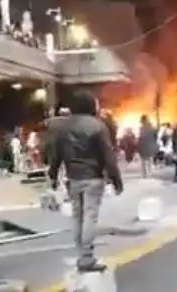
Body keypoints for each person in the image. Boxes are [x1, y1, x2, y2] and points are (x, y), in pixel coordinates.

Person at [46, 90, 124, 272]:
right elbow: (108, 156)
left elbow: (55, 154)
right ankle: (87, 257)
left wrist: (53, 175)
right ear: (91, 105)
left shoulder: (63, 127)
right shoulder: (98, 126)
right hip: (93, 177)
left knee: (78, 216)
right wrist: (116, 179)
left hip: (73, 178)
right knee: (90, 216)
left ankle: (81, 254)